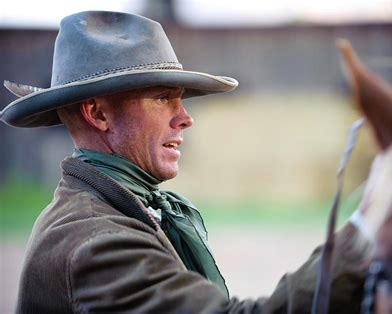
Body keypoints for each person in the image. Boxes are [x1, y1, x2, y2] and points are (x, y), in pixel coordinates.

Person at [1, 11, 371, 313]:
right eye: (163, 98)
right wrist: (369, 232)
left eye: (179, 99)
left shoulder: (116, 209)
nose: (184, 117)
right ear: (97, 113)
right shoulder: (94, 242)